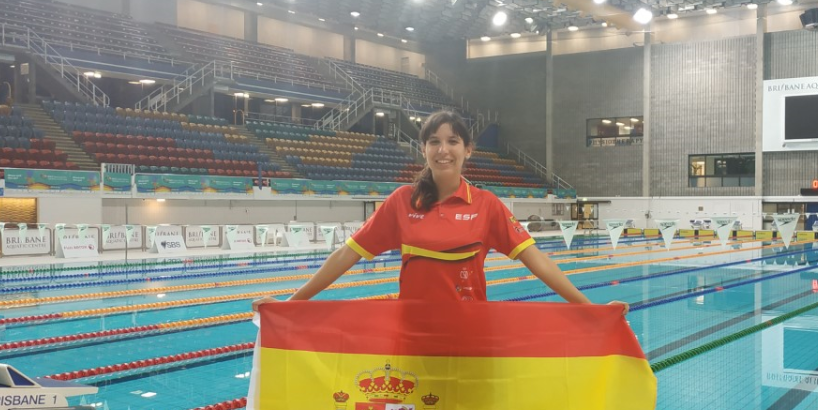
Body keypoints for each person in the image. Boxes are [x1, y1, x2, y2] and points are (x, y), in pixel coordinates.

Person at [253, 109, 627, 313]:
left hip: (470, 330)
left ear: (468, 150)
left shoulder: (487, 205)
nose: (442, 149)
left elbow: (538, 261)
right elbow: (346, 255)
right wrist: (290, 304)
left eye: (452, 141)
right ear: (423, 149)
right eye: (434, 141)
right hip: (412, 331)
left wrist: (590, 308)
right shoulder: (402, 201)